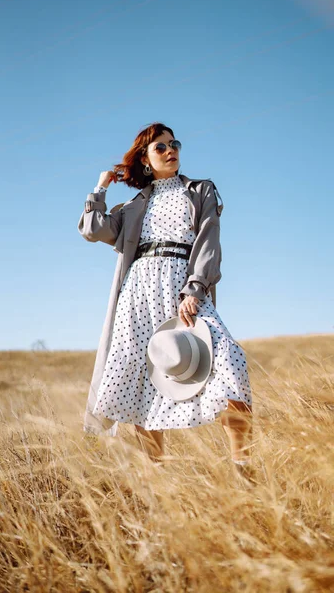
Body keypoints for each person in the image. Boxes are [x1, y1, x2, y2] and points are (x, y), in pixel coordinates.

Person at [78, 123, 255, 484]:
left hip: (183, 289)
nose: (171, 149)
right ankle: (156, 484)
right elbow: (92, 229)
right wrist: (100, 187)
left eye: (174, 143)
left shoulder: (199, 190)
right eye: (160, 147)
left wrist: (194, 290)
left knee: (229, 361)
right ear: (145, 159)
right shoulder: (132, 207)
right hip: (138, 292)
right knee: (143, 385)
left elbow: (208, 243)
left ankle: (244, 470)